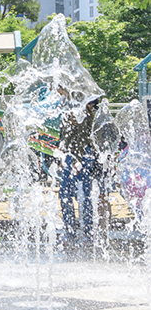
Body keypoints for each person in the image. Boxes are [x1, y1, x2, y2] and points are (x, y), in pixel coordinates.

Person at [57, 90, 97, 244]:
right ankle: (72, 231)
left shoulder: (79, 107)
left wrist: (77, 159)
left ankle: (87, 233)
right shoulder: (68, 106)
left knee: (83, 194)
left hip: (80, 155)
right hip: (70, 154)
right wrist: (63, 155)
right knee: (66, 194)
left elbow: (81, 136)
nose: (57, 91)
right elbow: (65, 136)